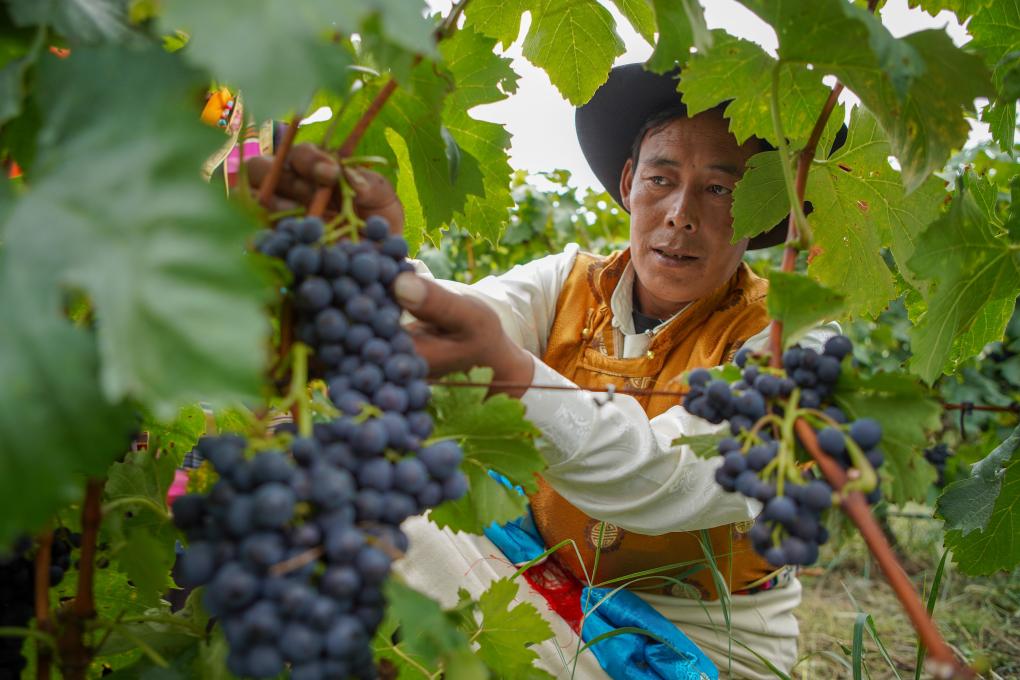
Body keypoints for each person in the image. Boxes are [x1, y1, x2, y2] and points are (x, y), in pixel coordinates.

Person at [249, 64, 836, 679]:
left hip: (703, 646)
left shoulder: (792, 338)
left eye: (719, 190)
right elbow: (463, 320)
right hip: (548, 582)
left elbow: (673, 476)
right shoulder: (565, 284)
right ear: (630, 182)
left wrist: (510, 374)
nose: (681, 214)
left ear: (759, 209)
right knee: (360, 506)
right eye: (661, 179)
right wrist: (375, 262)